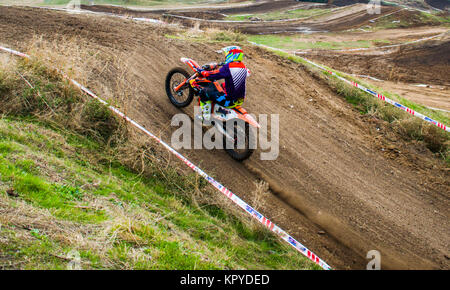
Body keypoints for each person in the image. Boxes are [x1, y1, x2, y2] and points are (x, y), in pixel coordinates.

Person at [195, 46, 250, 122]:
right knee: (223, 85)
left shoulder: (228, 67)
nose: (225, 55)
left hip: (229, 101)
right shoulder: (243, 66)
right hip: (240, 100)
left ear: (232, 55)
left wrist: (202, 71)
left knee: (204, 92)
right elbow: (247, 73)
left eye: (227, 54)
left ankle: (206, 117)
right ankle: (216, 109)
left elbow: (213, 76)